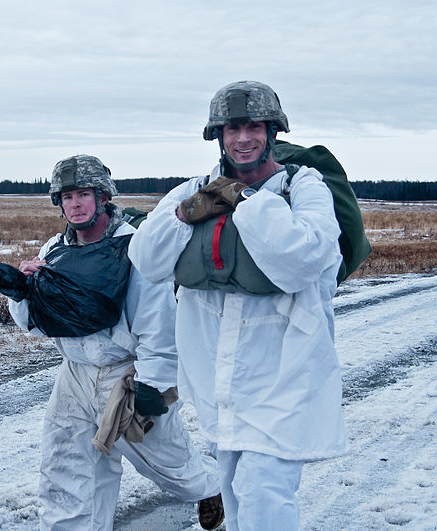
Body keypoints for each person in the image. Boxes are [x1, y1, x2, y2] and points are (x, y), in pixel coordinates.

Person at [128, 80, 350, 530]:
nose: (242, 137)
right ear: (218, 135)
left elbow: (303, 260)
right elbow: (146, 259)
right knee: (231, 484)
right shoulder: (195, 188)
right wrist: (184, 212)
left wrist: (246, 201)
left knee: (263, 488)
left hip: (284, 368)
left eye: (253, 126)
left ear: (272, 132)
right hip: (217, 374)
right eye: (232, 128)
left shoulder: (303, 186)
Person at [1, 155, 223, 530]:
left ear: (103, 196)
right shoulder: (53, 251)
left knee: (164, 462)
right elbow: (38, 326)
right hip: (74, 374)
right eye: (67, 196)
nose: (75, 203)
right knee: (64, 464)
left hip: (125, 375)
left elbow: (157, 324)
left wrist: (153, 383)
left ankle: (211, 487)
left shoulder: (133, 248)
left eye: (83, 194)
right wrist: (23, 293)